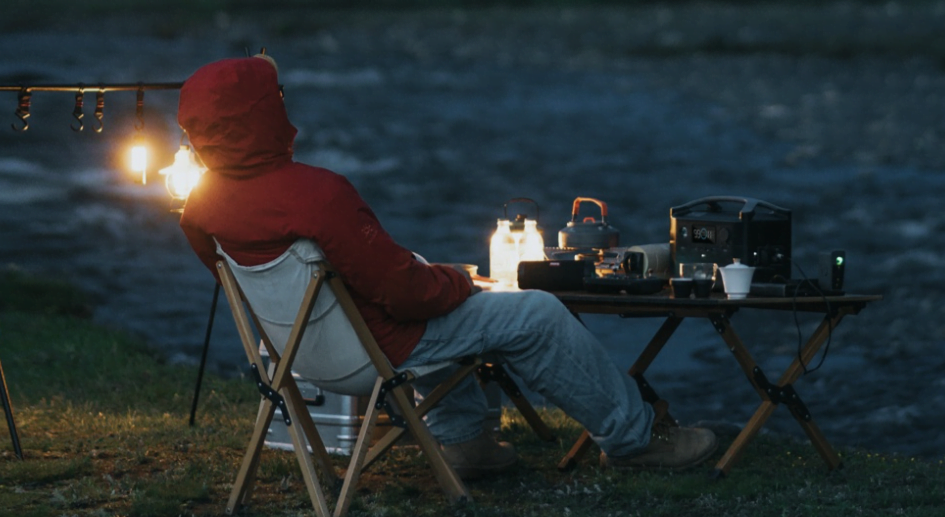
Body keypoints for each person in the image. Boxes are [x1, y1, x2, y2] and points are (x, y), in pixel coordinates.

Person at [177, 55, 717, 478]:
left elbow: (249, 292)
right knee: (536, 314)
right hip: (377, 349)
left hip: (302, 360)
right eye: (276, 97)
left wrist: (429, 282)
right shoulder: (318, 195)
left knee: (442, 309)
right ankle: (635, 439)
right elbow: (408, 296)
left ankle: (464, 445)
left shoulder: (200, 209)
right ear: (261, 116)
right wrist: (459, 281)